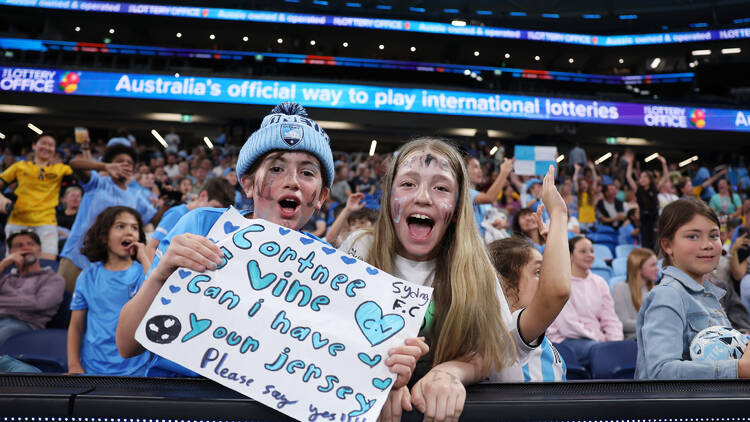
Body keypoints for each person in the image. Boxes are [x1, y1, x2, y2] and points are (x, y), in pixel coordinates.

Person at [116, 103, 426, 405]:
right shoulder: (201, 224)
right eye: (276, 168)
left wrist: (388, 366)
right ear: (248, 184)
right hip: (175, 403)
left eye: (307, 172)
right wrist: (161, 274)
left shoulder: (327, 268)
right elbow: (127, 344)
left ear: (320, 197)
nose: (292, 180)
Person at [339, 138, 518, 422]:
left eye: (441, 188)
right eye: (408, 184)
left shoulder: (476, 264)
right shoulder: (359, 248)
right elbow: (328, 334)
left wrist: (451, 371)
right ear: (388, 199)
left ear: (458, 210)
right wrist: (376, 378)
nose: (422, 197)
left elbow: (497, 352)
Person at [636, 197, 750, 379]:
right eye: (693, 236)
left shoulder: (709, 295)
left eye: (714, 235)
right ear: (667, 245)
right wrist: (737, 370)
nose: (707, 245)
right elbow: (660, 373)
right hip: (680, 408)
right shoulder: (667, 295)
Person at [487, 166, 571, 382]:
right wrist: (559, 214)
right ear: (504, 284)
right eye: (537, 272)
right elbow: (557, 291)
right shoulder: (505, 333)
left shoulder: (535, 333)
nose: (545, 278)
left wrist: (550, 240)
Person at [59, 143, 157, 292]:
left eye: (129, 163)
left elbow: (154, 218)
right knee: (66, 306)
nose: (125, 165)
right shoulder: (97, 182)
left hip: (107, 264)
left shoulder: (135, 195)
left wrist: (170, 202)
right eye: (120, 161)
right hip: (76, 256)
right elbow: (74, 164)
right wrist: (104, 167)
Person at [67, 206, 151, 375]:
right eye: (121, 226)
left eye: (134, 228)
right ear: (104, 236)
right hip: (93, 369)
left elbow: (161, 299)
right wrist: (74, 365)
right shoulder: (87, 276)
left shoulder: (143, 272)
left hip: (138, 371)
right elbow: (76, 326)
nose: (129, 232)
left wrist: (145, 258)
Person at [547, 236, 623, 368]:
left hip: (596, 340)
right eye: (583, 251)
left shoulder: (599, 282)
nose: (590, 255)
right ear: (570, 255)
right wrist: (601, 340)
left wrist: (615, 340)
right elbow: (568, 327)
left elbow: (610, 317)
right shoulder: (561, 283)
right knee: (602, 353)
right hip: (566, 340)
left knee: (622, 349)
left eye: (592, 251)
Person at [0, 134, 74, 260]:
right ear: (34, 146)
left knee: (47, 266)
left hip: (46, 223)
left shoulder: (61, 169)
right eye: (43, 143)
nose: (47, 147)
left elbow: (86, 176)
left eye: (51, 145)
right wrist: (2, 199)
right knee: (14, 266)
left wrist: (85, 148)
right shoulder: (20, 166)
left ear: (54, 149)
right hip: (18, 222)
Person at [0, 230, 65, 345]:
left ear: (39, 250)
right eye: (19, 246)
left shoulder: (53, 279)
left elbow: (39, 304)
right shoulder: (6, 278)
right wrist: (3, 265)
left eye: (31, 244)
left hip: (24, 325)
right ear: (10, 252)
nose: (26, 248)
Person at [146, 177, 235, 257]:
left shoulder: (206, 222)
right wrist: (154, 275)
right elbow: (151, 247)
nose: (216, 214)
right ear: (203, 196)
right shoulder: (177, 214)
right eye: (216, 207)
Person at [612, 248, 659, 340]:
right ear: (639, 268)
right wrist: (655, 324)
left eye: (657, 264)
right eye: (653, 265)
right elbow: (623, 323)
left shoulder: (656, 290)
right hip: (634, 341)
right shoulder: (620, 288)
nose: (657, 268)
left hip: (654, 338)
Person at [625, 152, 668, 250]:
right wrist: (630, 163)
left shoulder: (655, 189)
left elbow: (665, 177)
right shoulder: (638, 190)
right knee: (645, 242)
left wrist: (664, 164)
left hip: (654, 218)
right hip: (644, 219)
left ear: (650, 179)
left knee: (655, 242)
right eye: (641, 177)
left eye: (645, 177)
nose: (642, 179)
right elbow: (628, 177)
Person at [467, 157, 513, 239]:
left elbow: (493, 219)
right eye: (475, 167)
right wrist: (504, 172)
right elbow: (489, 198)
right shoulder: (463, 193)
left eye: (480, 167)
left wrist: (503, 223)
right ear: (462, 170)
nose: (480, 170)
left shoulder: (480, 196)